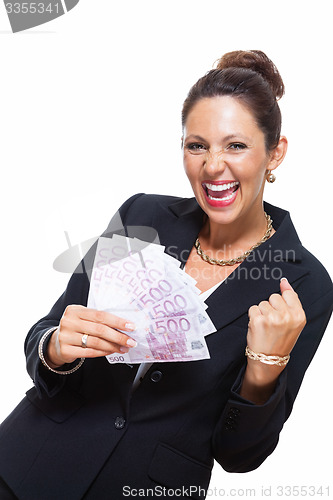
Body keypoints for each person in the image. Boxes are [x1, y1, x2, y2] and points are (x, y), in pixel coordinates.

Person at [0, 50, 332, 500]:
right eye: (197, 145)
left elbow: (238, 455)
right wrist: (56, 347)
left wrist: (264, 368)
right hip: (26, 462)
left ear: (275, 154)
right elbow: (45, 335)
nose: (213, 166)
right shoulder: (144, 215)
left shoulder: (306, 284)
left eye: (236, 145)